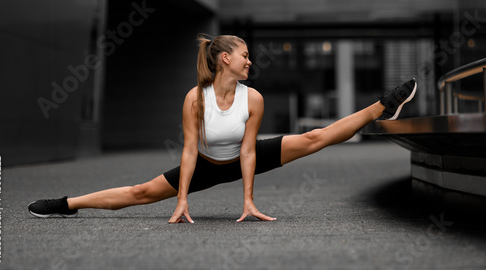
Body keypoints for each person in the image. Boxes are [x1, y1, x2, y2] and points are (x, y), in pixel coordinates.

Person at [28, 34, 417, 223]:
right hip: (204, 163)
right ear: (225, 59)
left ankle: (383, 106)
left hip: (241, 156)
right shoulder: (194, 98)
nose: (250, 62)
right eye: (245, 56)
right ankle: (67, 204)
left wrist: (247, 200)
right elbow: (188, 151)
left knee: (314, 138)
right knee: (140, 192)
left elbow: (249, 150)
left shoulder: (254, 99)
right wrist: (182, 197)